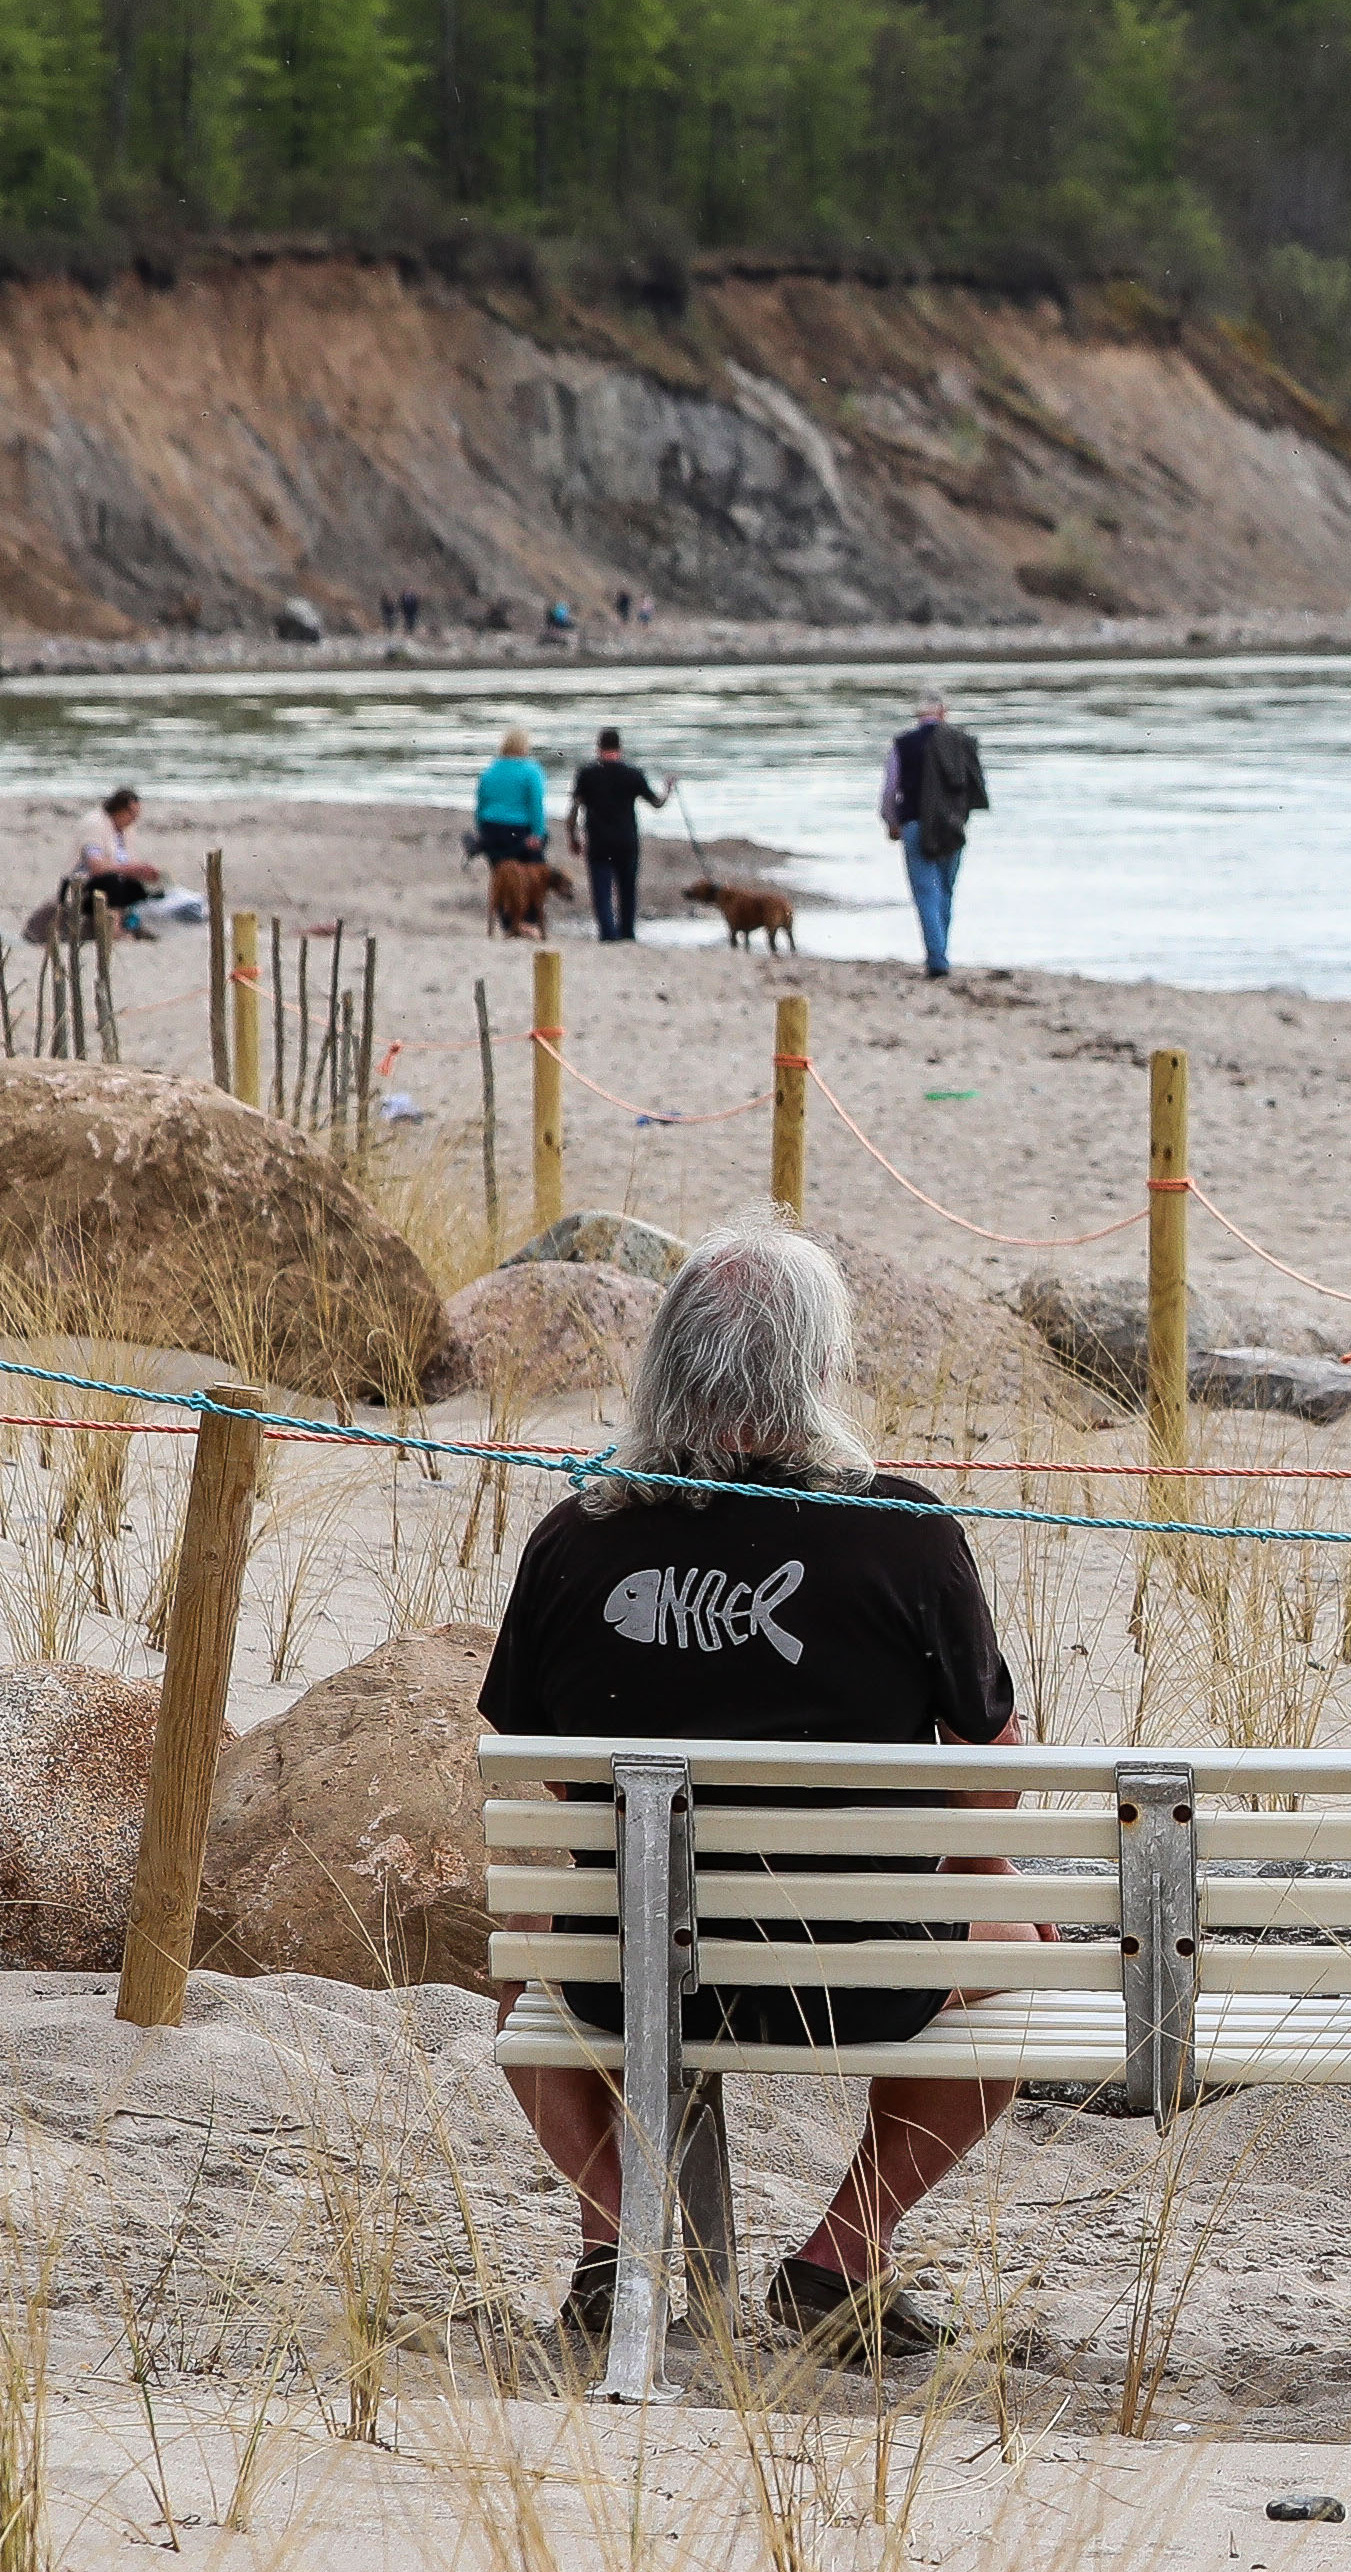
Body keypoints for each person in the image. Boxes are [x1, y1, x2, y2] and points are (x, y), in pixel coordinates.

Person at [477, 1226, 1035, 2366]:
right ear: (818, 1373)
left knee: (529, 1944)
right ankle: (839, 2253)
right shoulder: (906, 1532)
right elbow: (993, 1775)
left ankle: (615, 2245)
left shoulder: (576, 1541)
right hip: (857, 1976)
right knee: (1022, 1945)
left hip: (632, 1976)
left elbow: (545, 1766)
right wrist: (981, 1877)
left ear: (664, 1366)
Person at [879, 693, 986, 978]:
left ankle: (937, 959)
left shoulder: (904, 744)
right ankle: (941, 952)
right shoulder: (962, 742)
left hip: (915, 823)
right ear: (943, 712)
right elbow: (974, 786)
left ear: (918, 714)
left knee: (926, 891)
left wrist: (891, 821)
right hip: (952, 824)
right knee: (946, 890)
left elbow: (891, 789)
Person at [572, 727, 672, 944]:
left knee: (602, 892)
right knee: (627, 890)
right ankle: (627, 932)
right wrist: (669, 788)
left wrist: (573, 837)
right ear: (620, 748)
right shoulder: (633, 774)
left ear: (598, 748)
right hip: (626, 841)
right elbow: (656, 803)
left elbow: (574, 809)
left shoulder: (587, 774)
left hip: (598, 842)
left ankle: (608, 934)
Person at [73, 789, 168, 933]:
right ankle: (113, 929)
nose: (134, 819)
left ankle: (129, 923)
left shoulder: (124, 831)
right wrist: (130, 869)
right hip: (85, 883)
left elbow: (128, 861)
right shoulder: (95, 825)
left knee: (141, 887)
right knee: (112, 882)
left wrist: (142, 872)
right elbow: (95, 866)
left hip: (117, 878)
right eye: (132, 814)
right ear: (120, 810)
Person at [473, 730, 551, 869]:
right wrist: (537, 833)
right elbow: (536, 804)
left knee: (500, 872)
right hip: (518, 829)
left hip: (490, 828)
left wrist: (480, 830)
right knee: (532, 872)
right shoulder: (531, 771)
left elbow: (481, 803)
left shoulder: (490, 770)